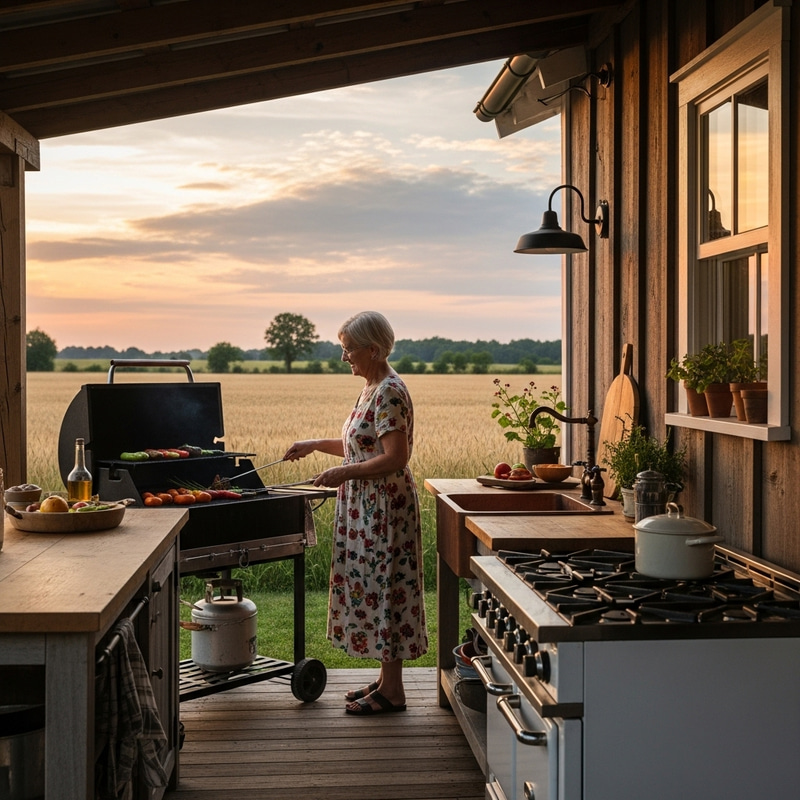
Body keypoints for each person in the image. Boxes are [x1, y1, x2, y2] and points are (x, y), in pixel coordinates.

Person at [284, 311, 428, 714]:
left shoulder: (390, 392)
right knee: (375, 586)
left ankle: (394, 692)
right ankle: (386, 680)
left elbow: (395, 457)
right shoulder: (371, 388)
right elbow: (360, 444)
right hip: (367, 509)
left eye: (349, 349)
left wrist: (343, 472)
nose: (344, 356)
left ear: (374, 350)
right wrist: (313, 444)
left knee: (388, 590)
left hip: (385, 510)